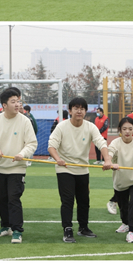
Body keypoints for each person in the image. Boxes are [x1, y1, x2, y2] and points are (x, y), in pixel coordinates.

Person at [47, 97, 112, 243]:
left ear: (85, 111)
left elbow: (101, 142)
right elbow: (51, 145)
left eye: (82, 108)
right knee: (67, 200)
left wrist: (107, 159)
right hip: (65, 169)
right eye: (76, 108)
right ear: (70, 111)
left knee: (84, 200)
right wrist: (58, 159)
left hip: (83, 169)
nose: (79, 111)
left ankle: (83, 227)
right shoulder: (62, 126)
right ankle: (67, 229)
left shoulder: (90, 127)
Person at [0, 88, 38, 244]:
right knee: (1, 198)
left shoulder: (25, 121)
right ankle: (5, 226)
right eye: (13, 101)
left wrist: (22, 154)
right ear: (4, 105)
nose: (17, 104)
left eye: (19, 101)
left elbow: (32, 143)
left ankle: (17, 230)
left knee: (13, 198)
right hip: (0, 167)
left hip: (17, 168)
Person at [105, 117, 133, 244]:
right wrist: (109, 162)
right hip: (121, 180)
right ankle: (125, 223)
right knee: (123, 206)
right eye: (124, 129)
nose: (127, 132)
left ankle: (131, 232)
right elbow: (110, 153)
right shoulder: (115, 143)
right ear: (120, 130)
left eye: (130, 129)